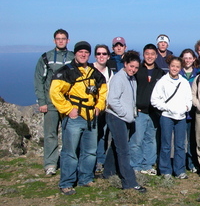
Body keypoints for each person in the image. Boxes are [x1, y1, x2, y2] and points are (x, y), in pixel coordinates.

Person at [49, 41, 107, 195]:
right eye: (80, 52)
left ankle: (86, 179)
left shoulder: (94, 73)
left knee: (90, 151)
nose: (83, 54)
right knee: (70, 152)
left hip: (91, 117)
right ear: (75, 53)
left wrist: (99, 106)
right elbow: (55, 92)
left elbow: (103, 89)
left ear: (89, 54)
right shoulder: (67, 71)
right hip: (74, 117)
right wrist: (68, 109)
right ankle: (66, 183)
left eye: (86, 52)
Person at [104, 50, 147, 193]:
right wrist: (125, 114)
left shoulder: (132, 79)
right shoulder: (119, 78)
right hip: (116, 117)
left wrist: (131, 113)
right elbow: (112, 100)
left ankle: (108, 173)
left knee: (115, 146)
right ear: (125, 64)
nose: (133, 69)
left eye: (136, 67)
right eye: (131, 66)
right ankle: (129, 182)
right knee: (124, 150)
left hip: (124, 118)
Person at [34, 28, 74, 176]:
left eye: (63, 38)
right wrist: (42, 101)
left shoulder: (72, 57)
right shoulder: (46, 57)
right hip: (50, 102)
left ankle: (66, 162)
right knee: (51, 133)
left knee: (68, 133)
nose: (61, 41)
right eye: (58, 38)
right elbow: (39, 79)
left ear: (68, 40)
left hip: (68, 103)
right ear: (54, 40)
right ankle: (50, 164)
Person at [151, 57, 193, 179]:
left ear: (181, 68)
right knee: (166, 144)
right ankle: (165, 170)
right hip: (167, 116)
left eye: (177, 67)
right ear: (169, 66)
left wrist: (186, 108)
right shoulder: (163, 82)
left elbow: (189, 98)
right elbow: (154, 100)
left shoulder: (184, 82)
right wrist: (166, 108)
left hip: (181, 117)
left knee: (180, 144)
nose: (175, 68)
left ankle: (179, 170)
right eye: (173, 66)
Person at [130, 44, 164, 175]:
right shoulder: (138, 71)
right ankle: (135, 166)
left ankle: (148, 164)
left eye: (152, 54)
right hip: (139, 111)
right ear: (143, 55)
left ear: (156, 56)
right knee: (136, 140)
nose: (150, 57)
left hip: (154, 112)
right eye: (147, 54)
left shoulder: (160, 73)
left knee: (151, 139)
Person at [179, 49, 200, 172]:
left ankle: (192, 163)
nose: (187, 60)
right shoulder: (177, 73)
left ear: (194, 59)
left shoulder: (199, 73)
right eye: (185, 58)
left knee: (193, 139)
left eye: (190, 58)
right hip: (181, 112)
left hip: (194, 111)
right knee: (180, 140)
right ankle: (180, 163)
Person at [93, 44, 114, 174]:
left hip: (105, 109)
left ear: (108, 56)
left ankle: (100, 161)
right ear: (95, 55)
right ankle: (89, 161)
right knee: (89, 136)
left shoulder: (110, 73)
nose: (101, 56)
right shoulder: (89, 69)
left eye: (104, 54)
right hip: (90, 110)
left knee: (102, 136)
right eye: (99, 54)